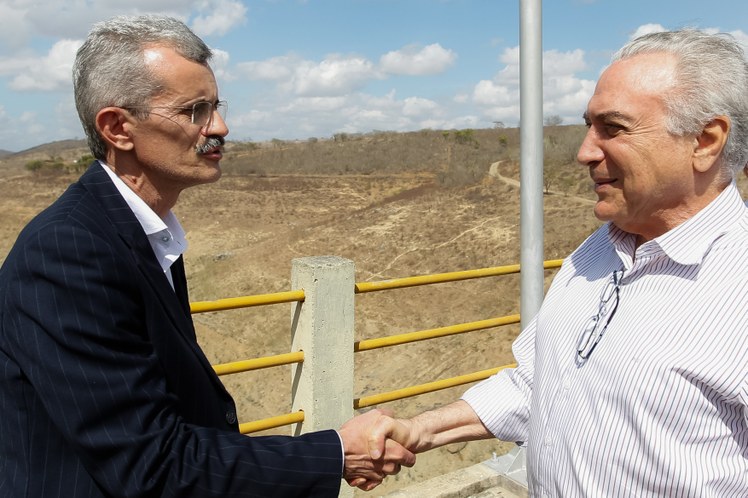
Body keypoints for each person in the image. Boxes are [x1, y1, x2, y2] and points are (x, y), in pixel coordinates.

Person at [0, 14, 413, 497]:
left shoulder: (137, 232)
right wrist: (337, 453)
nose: (220, 127)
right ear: (117, 128)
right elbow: (150, 464)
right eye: (195, 110)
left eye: (215, 106)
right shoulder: (67, 253)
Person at [366, 29, 748, 496]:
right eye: (589, 126)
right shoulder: (596, 252)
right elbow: (539, 384)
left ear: (705, 141)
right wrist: (418, 430)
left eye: (614, 128)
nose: (585, 152)